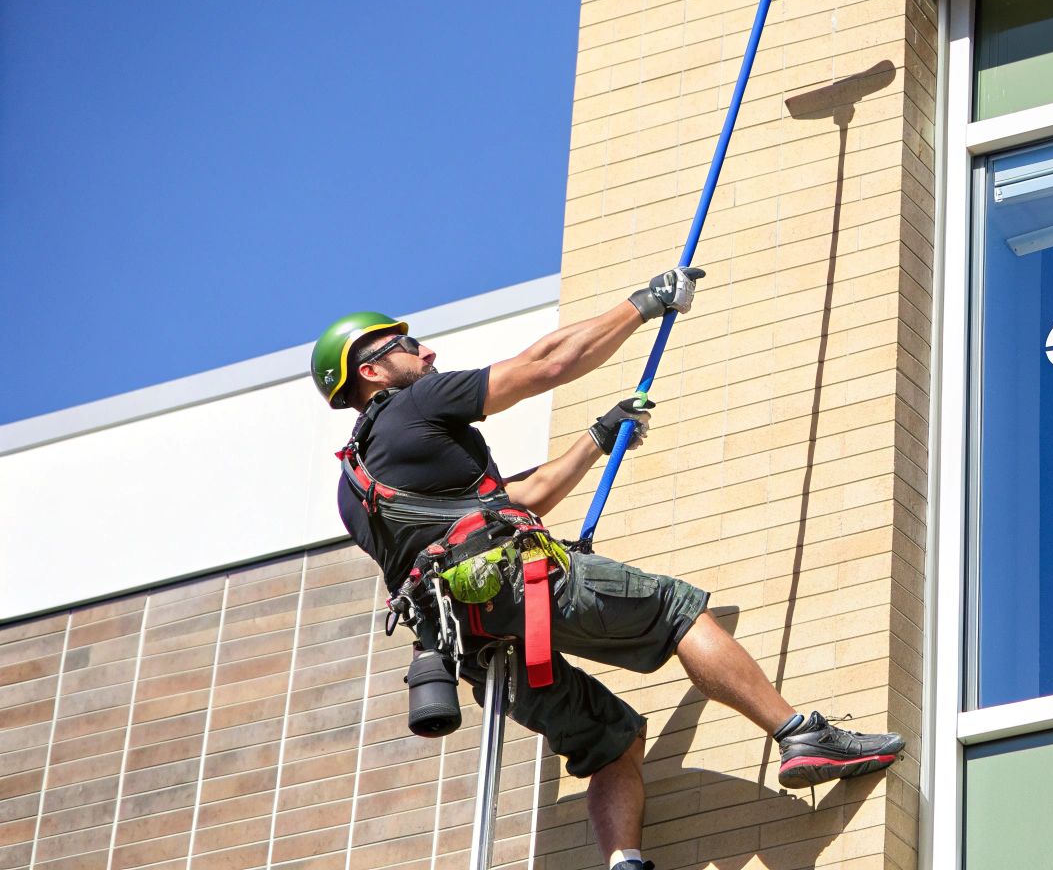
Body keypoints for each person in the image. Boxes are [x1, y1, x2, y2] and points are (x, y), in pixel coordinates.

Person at [311, 266, 902, 870]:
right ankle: (800, 735)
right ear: (372, 370)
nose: (427, 351)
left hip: (477, 651)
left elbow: (526, 496)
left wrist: (599, 434)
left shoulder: (352, 491)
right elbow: (544, 364)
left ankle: (625, 864)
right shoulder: (417, 403)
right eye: (408, 345)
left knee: (609, 742)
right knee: (678, 612)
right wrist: (644, 304)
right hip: (519, 584)